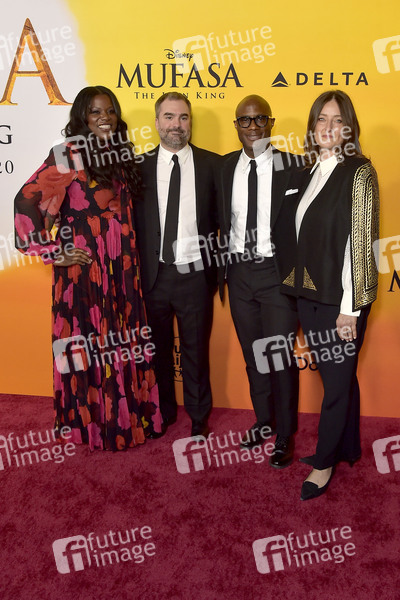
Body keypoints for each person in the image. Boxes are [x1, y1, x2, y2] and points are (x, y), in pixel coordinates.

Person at [14, 85, 161, 451]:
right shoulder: (69, 153)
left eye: (110, 110)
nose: (104, 118)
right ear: (82, 116)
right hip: (85, 270)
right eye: (96, 111)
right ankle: (92, 425)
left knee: (120, 339)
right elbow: (25, 199)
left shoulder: (119, 152)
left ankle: (127, 418)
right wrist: (52, 250)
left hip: (122, 267)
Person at [278, 90, 379, 499]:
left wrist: (350, 309)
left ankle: (323, 464)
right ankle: (347, 447)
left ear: (349, 128)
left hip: (341, 302)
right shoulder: (305, 172)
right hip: (308, 295)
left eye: (338, 120)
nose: (328, 127)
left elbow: (360, 243)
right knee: (338, 376)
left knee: (335, 386)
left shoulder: (359, 172)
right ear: (312, 125)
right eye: (321, 119)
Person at [218, 94, 303, 468]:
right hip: (238, 274)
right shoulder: (223, 168)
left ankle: (285, 432)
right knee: (254, 356)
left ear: (271, 122)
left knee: (279, 357)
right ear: (236, 125)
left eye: (259, 119)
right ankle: (264, 421)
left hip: (277, 275)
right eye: (245, 120)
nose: (252, 127)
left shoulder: (294, 166)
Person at [134, 92, 219, 439]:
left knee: (196, 351)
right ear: (157, 122)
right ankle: (164, 412)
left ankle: (199, 416)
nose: (176, 125)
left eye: (183, 118)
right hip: (153, 276)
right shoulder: (137, 167)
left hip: (195, 275)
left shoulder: (212, 165)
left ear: (190, 123)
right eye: (169, 117)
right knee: (159, 351)